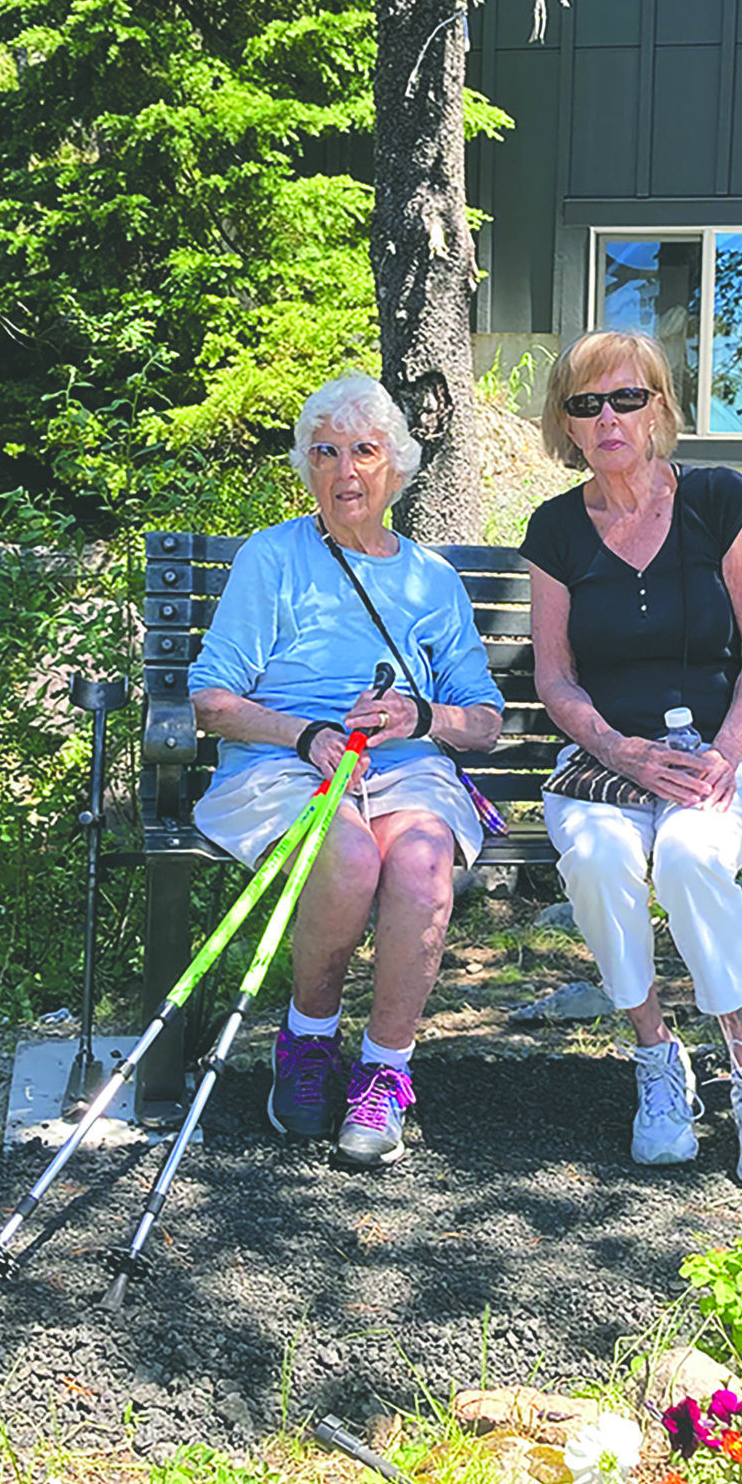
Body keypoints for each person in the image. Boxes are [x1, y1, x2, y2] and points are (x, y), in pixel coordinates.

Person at [188, 373, 505, 1168]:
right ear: (307, 469)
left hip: (406, 767)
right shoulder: (274, 557)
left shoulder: (432, 579)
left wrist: (422, 719)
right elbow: (212, 699)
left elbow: (486, 721)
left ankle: (385, 1072)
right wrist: (303, 736)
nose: (344, 472)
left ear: (396, 466)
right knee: (349, 851)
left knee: (423, 861)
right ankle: (308, 1040)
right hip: (282, 760)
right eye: (324, 453)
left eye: (364, 451)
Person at [520, 331, 742, 1189]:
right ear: (566, 425)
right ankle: (657, 1060)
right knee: (603, 859)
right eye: (586, 404)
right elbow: (555, 677)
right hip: (606, 766)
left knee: (688, 856)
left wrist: (724, 754)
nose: (608, 418)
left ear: (659, 409)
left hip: (714, 761)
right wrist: (621, 750)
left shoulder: (718, 499)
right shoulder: (557, 530)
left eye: (626, 398)